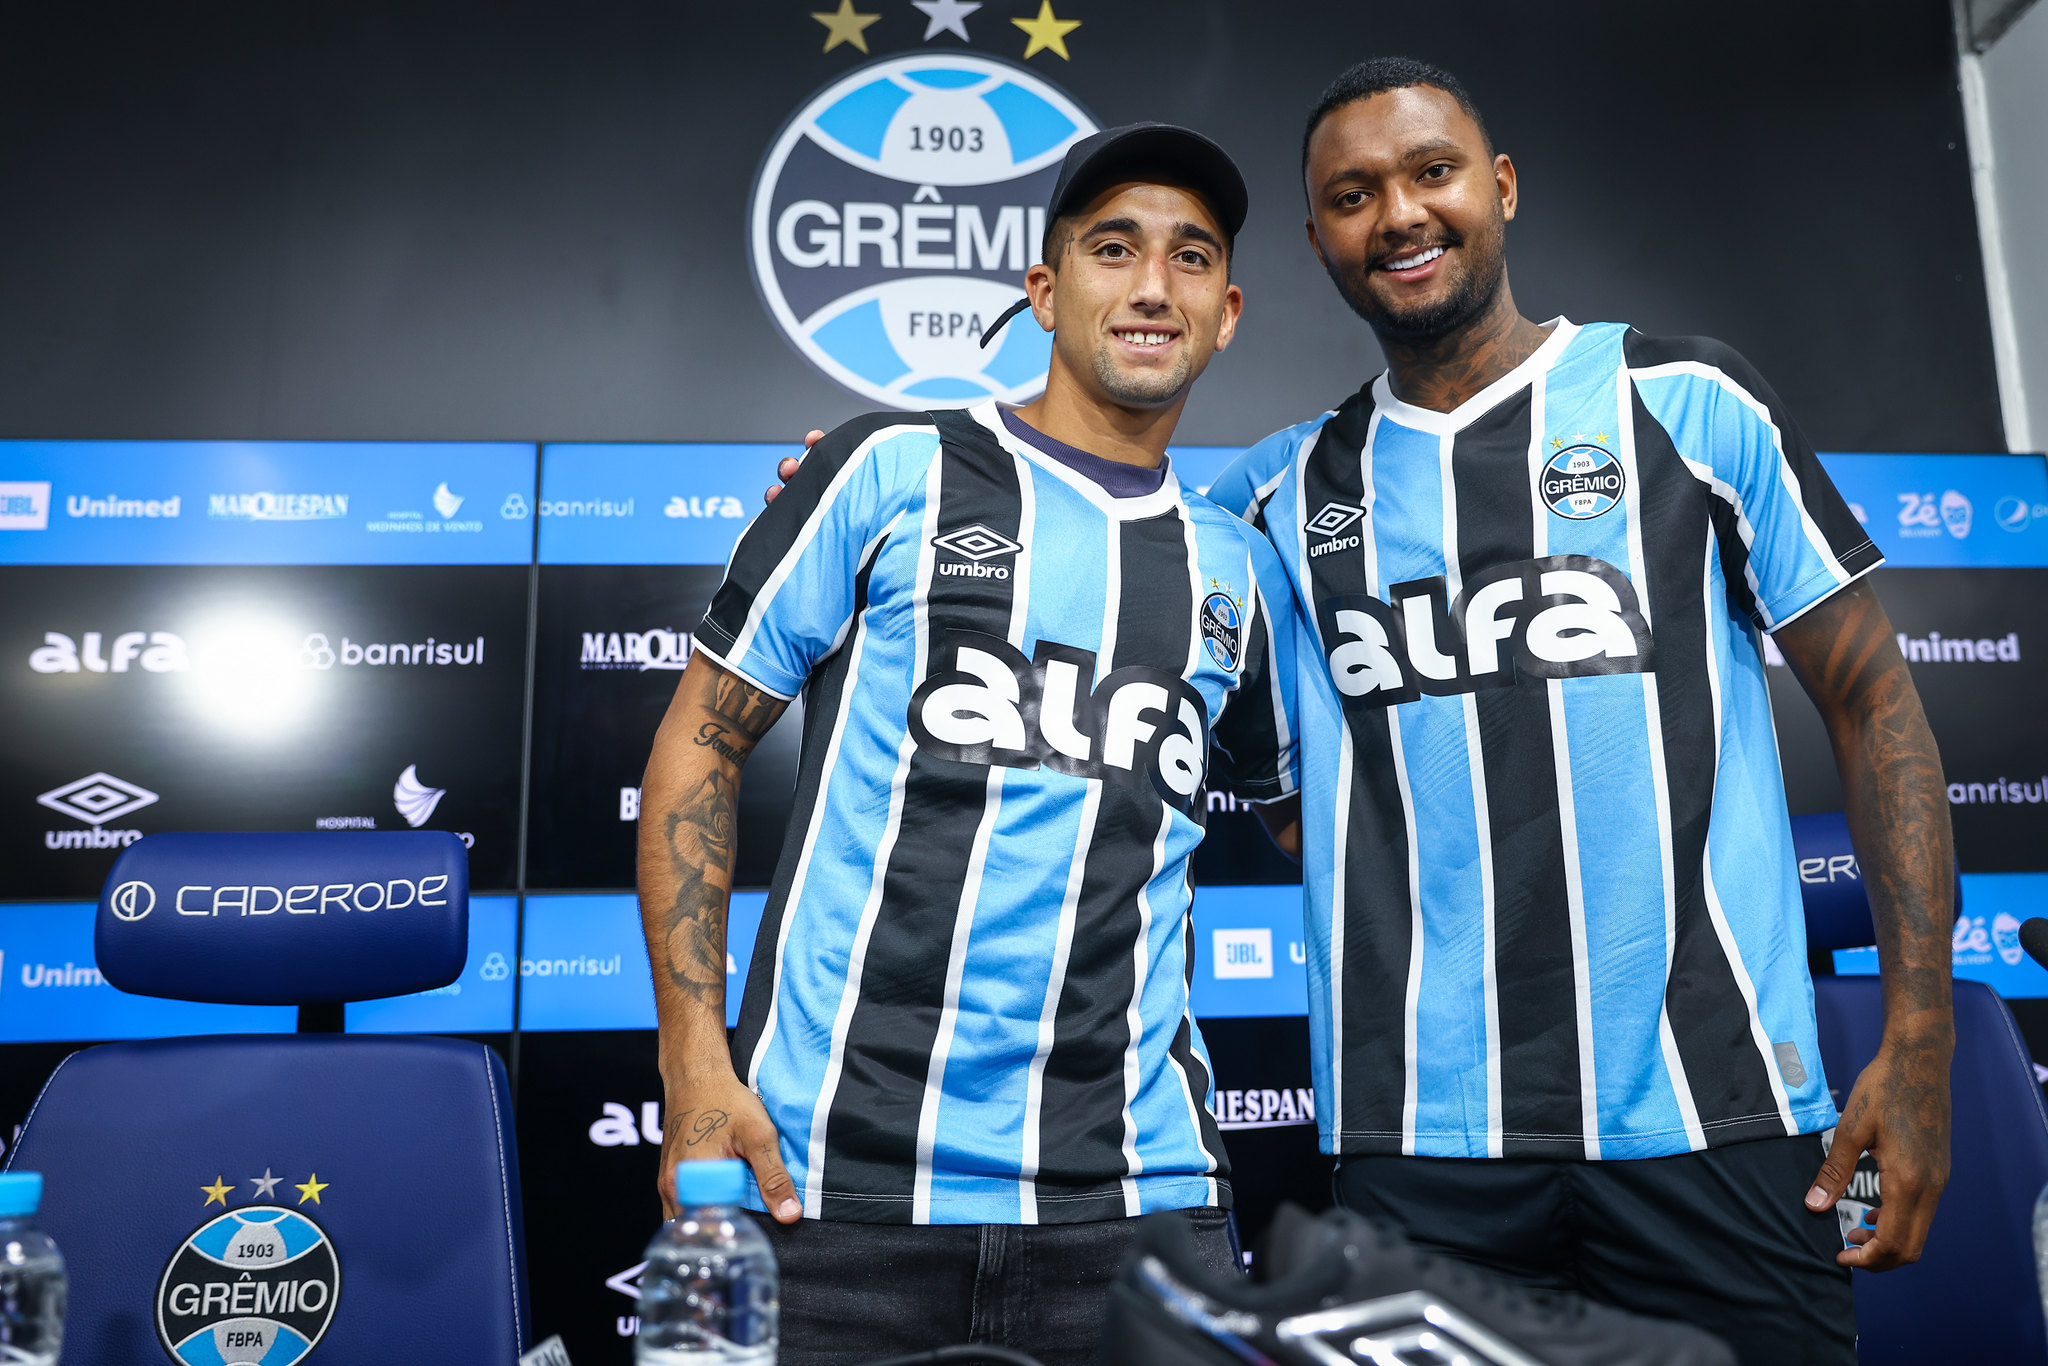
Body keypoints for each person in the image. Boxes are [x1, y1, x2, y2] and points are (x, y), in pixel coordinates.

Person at [1197, 58, 1954, 1365]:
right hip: (1419, 1145)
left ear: (1499, 186)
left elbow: (1874, 695)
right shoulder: (1271, 497)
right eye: (1353, 194)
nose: (1399, 215)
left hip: (1710, 1114)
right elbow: (1088, 562)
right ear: (1319, 236)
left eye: (1431, 172)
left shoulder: (1686, 402)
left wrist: (1921, 1040)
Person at [637, 123, 1300, 1366]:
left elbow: (1315, 821)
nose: (1152, 286)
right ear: (1045, 292)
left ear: (1226, 312)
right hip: (830, 1196)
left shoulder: (1239, 570)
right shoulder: (888, 470)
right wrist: (692, 1069)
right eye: (1113, 249)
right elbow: (697, 748)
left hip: (1135, 1208)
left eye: (1190, 258)